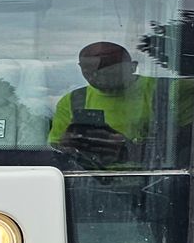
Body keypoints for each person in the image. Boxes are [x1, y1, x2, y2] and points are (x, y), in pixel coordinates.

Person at [49, 39, 170, 168]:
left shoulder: (168, 91)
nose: (94, 76)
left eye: (105, 70)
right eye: (88, 71)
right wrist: (68, 145)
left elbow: (185, 145)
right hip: (87, 179)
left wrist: (128, 149)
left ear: (132, 67)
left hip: (154, 179)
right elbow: (55, 151)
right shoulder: (72, 100)